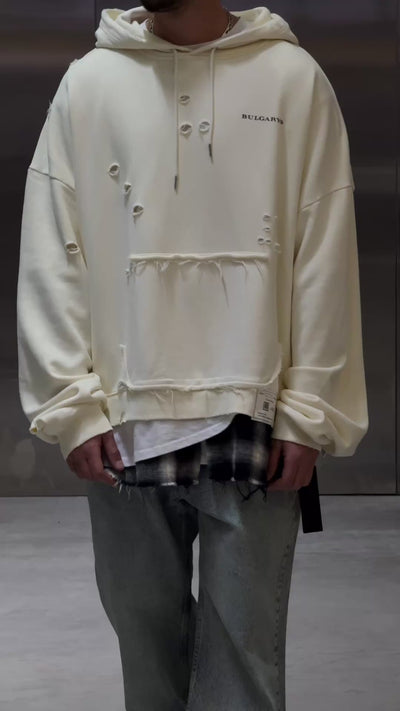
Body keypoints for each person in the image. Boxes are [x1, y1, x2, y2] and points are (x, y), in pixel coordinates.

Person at [17, 2, 369, 709]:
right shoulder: (90, 83)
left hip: (254, 417)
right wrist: (72, 406)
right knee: (147, 660)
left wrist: (308, 411)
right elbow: (53, 247)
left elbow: (323, 252)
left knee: (244, 668)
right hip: (122, 422)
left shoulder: (292, 79)